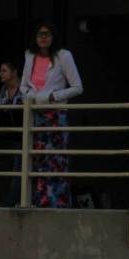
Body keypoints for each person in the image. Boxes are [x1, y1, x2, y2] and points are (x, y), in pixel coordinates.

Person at [19, 21, 83, 208]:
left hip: (55, 115)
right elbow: (23, 85)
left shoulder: (63, 56)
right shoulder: (29, 56)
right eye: (40, 34)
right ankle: (37, 203)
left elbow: (77, 87)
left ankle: (57, 204)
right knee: (36, 161)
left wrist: (54, 96)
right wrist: (32, 96)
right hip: (35, 115)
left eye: (47, 34)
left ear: (53, 37)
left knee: (55, 162)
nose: (44, 37)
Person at [0, 61, 24, 207]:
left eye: (4, 70)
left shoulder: (25, 90)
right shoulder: (2, 93)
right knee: (14, 169)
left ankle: (10, 203)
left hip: (25, 136)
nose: (0, 74)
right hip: (10, 137)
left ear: (14, 73)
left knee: (19, 170)